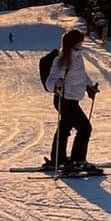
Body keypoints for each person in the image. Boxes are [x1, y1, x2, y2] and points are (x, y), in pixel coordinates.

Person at [44, 28, 100, 174]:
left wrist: (90, 87)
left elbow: (81, 75)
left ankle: (58, 159)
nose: (82, 44)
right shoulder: (61, 59)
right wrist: (57, 83)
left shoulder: (77, 56)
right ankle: (77, 161)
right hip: (64, 100)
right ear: (73, 43)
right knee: (85, 128)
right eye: (80, 42)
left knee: (65, 129)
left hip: (72, 100)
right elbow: (50, 82)